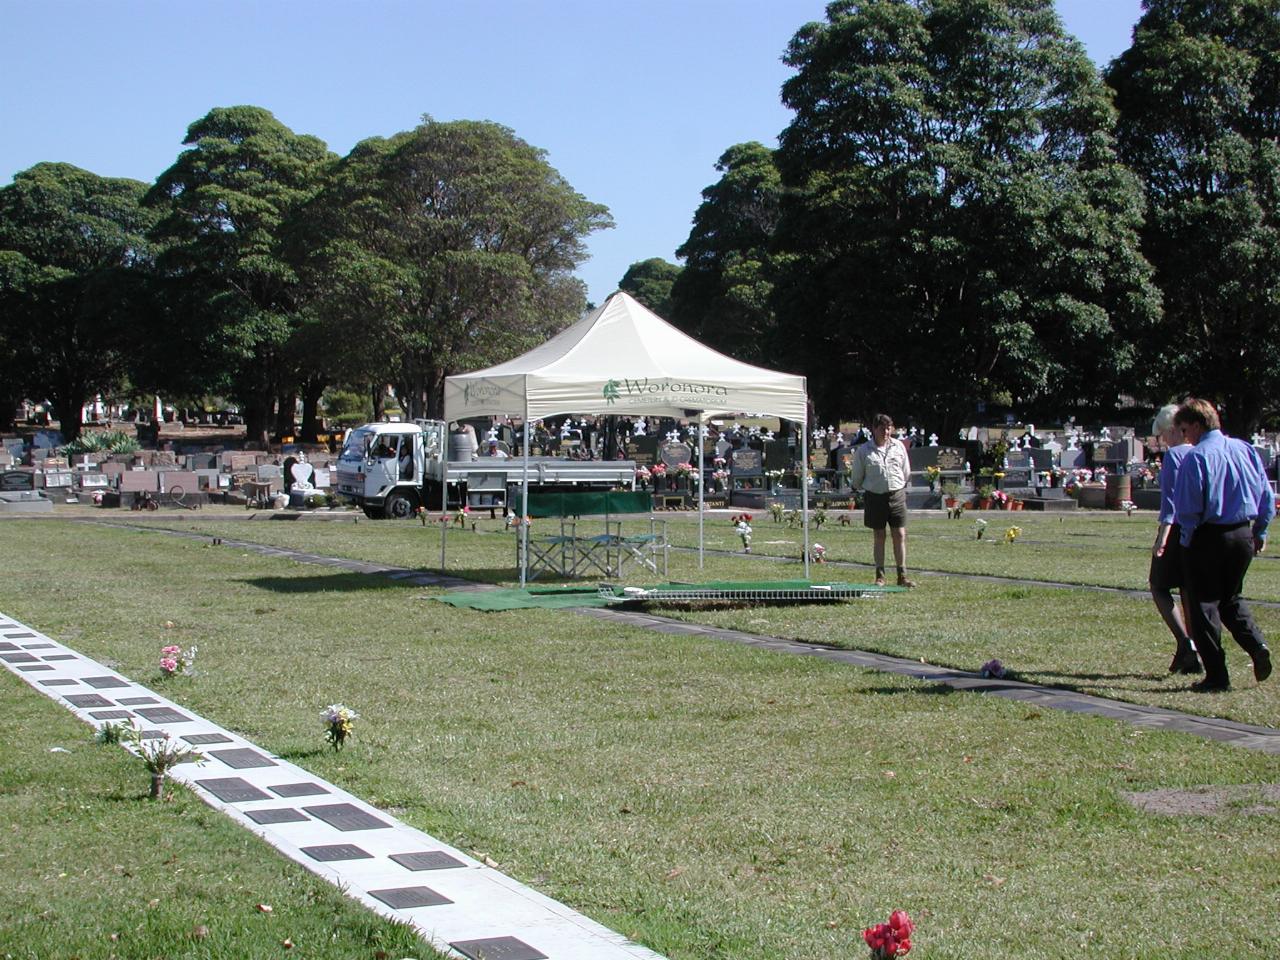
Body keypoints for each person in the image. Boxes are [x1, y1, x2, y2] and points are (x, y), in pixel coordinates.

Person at [1172, 398, 1274, 692]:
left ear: (1196, 424)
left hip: (1209, 535)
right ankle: (1257, 646)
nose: (1184, 437)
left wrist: (1186, 541)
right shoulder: (1244, 450)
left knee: (1203, 605)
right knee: (1231, 598)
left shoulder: (1197, 457)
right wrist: (1261, 531)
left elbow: (1189, 508)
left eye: (1184, 429)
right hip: (1242, 533)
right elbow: (1266, 496)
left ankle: (1217, 675)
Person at [1149, 404, 1201, 674]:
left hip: (1177, 528)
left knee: (1159, 585)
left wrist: (1162, 538)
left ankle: (1185, 642)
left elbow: (1169, 505)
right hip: (1199, 529)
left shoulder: (1174, 456)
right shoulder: (1199, 452)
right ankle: (1198, 646)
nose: (1162, 440)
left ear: (1172, 430)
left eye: (1162, 434)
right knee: (1189, 590)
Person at [850, 413, 916, 587]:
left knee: (900, 534)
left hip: (896, 495)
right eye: (882, 428)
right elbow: (857, 478)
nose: (886, 432)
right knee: (879, 535)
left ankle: (902, 576)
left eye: (889, 428)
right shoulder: (864, 451)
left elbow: (906, 471)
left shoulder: (899, 447)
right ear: (874, 429)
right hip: (875, 496)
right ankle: (880, 576)